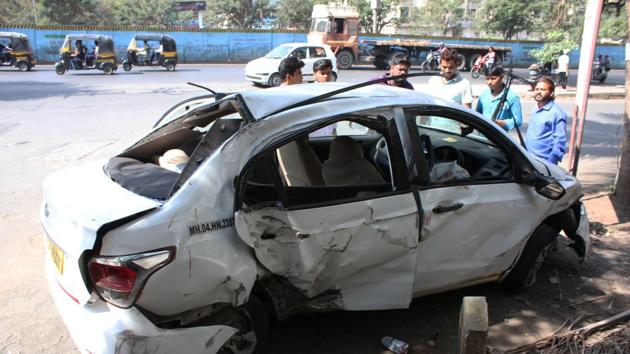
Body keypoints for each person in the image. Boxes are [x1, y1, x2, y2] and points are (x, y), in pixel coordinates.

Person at [524, 77, 567, 164]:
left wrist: (550, 164)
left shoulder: (556, 113)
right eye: (536, 89)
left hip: (543, 162)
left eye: (543, 89)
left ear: (551, 93)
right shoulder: (535, 108)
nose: (539, 92)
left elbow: (559, 143)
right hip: (528, 159)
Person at [475, 66, 523, 131]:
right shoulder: (484, 94)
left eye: (493, 78)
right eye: (487, 79)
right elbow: (477, 114)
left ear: (501, 77)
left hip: (498, 137)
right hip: (482, 134)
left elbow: (518, 121)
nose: (489, 82)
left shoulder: (512, 97)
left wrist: (500, 123)